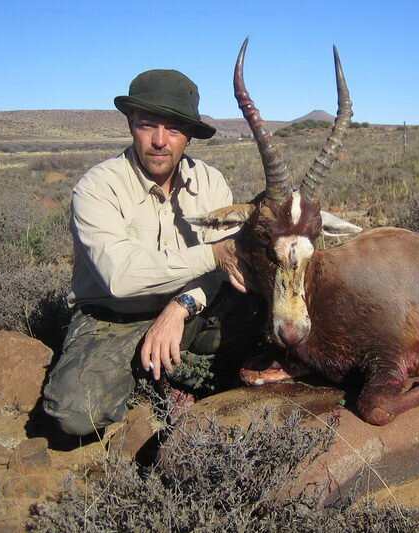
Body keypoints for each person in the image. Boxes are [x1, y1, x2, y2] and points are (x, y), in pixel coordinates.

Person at [42, 69, 263, 437]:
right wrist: (211, 255)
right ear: (131, 123)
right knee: (76, 415)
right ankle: (161, 374)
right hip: (114, 317)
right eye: (148, 125)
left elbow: (227, 270)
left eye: (174, 129)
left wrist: (181, 307)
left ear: (188, 135)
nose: (160, 141)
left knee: (267, 312)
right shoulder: (98, 186)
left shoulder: (211, 182)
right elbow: (121, 277)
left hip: (190, 309)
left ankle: (171, 372)